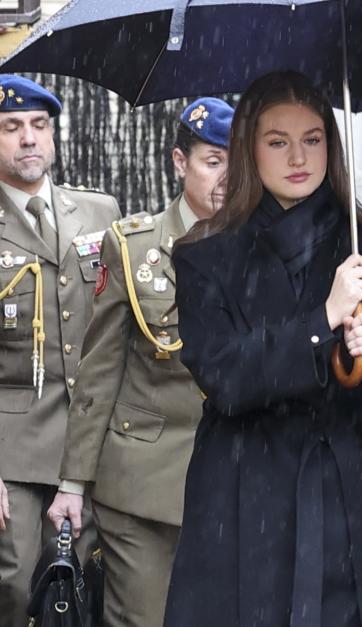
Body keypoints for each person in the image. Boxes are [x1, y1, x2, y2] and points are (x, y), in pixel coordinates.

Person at [161, 71, 362, 627]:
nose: (297, 157)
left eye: (312, 139)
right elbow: (227, 378)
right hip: (242, 491)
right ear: (248, 149)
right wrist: (324, 320)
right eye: (277, 142)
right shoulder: (205, 254)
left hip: (343, 487)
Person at [43, 97, 234, 627]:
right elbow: (99, 369)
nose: (226, 177)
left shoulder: (265, 246)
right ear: (180, 162)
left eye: (237, 161)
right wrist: (73, 484)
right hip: (146, 484)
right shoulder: (133, 245)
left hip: (241, 480)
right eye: (213, 160)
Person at [0, 74, 121, 624]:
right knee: (18, 583)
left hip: (95, 443)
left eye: (39, 126)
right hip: (15, 451)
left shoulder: (100, 214)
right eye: (12, 127)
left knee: (91, 586)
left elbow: (120, 328)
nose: (28, 139)